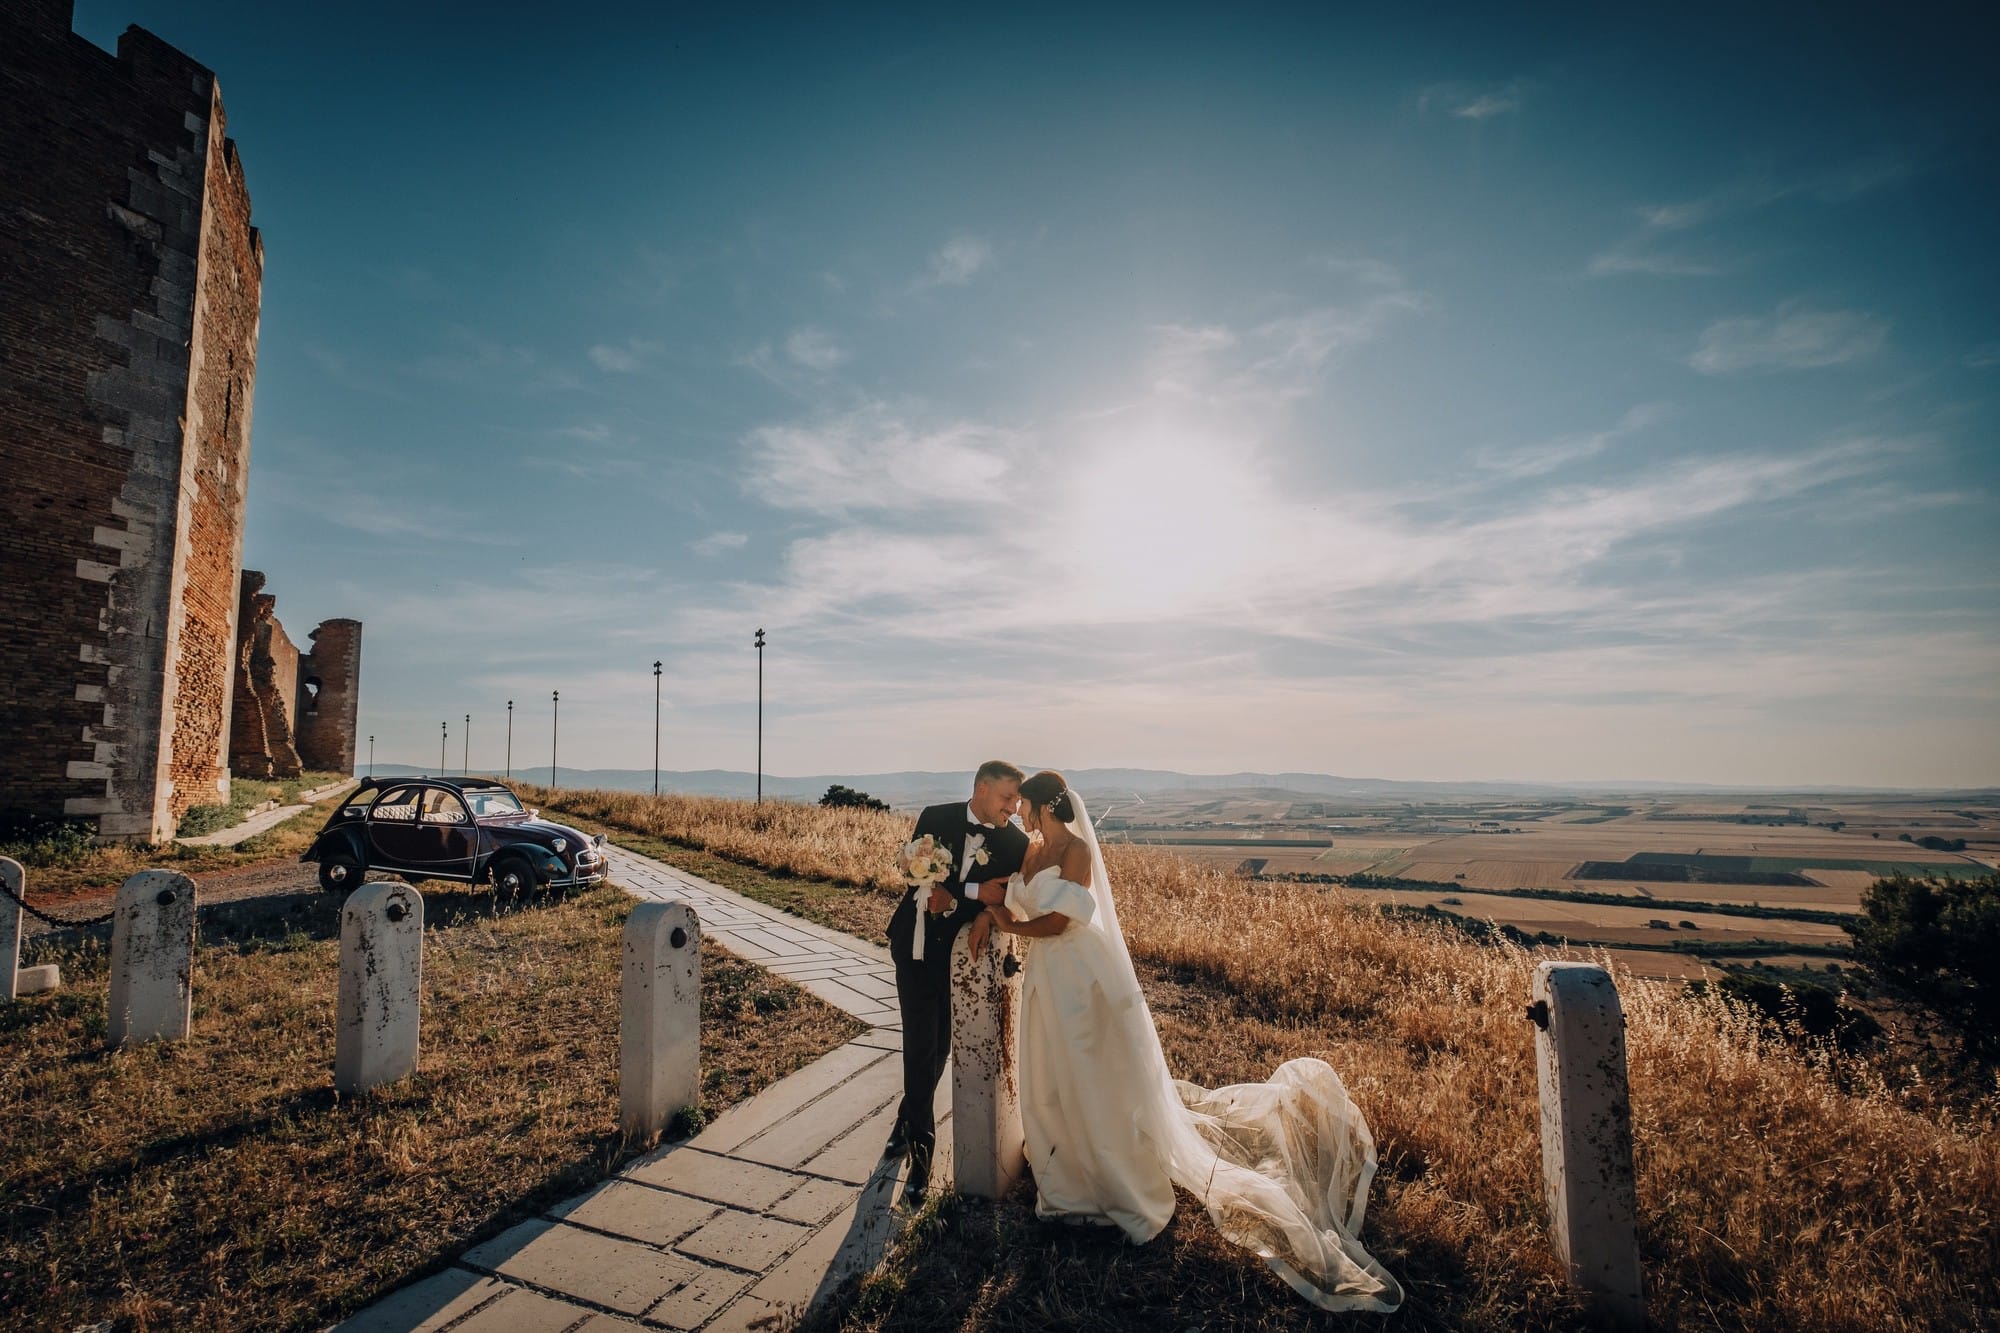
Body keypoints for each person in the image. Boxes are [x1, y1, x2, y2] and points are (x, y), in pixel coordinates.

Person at [965, 770, 1403, 1314]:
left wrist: (1007, 923)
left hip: (1079, 976)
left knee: (1091, 1076)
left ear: (1040, 805)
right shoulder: (1029, 850)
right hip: (1044, 980)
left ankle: (1120, 1190)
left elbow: (1056, 923)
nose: (1018, 813)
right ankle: (1066, 1187)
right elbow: (1007, 898)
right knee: (1050, 1074)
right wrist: (990, 910)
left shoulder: (1076, 852)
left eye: (1022, 805)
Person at [885, 760, 1029, 1203]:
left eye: (1018, 800)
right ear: (981, 789)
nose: (1015, 807)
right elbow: (913, 873)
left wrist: (985, 908)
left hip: (963, 963)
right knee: (920, 1045)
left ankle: (906, 1118)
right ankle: (921, 1160)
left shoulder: (1016, 842)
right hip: (915, 948)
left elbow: (1008, 894)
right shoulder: (935, 817)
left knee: (941, 1046)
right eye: (1007, 798)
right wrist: (973, 893)